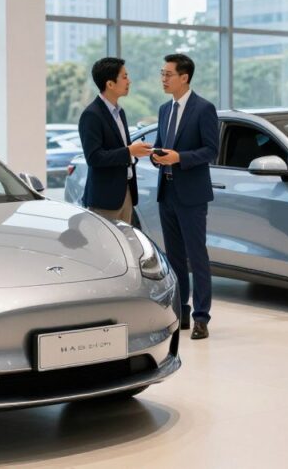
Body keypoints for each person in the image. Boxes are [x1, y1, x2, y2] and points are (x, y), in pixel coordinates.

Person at [152, 53, 219, 340]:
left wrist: (180, 158)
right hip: (167, 192)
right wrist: (156, 157)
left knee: (197, 257)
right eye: (162, 73)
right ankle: (181, 311)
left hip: (191, 195)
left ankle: (201, 317)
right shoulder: (164, 110)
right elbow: (160, 146)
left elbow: (210, 150)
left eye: (168, 74)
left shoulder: (204, 108)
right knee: (175, 259)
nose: (163, 79)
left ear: (184, 77)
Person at [78, 57, 151, 224]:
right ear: (110, 84)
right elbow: (94, 158)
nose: (129, 81)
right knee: (105, 247)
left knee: (125, 246)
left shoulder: (120, 112)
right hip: (105, 199)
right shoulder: (92, 115)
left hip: (126, 192)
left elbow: (121, 149)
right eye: (124, 77)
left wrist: (134, 152)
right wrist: (129, 151)